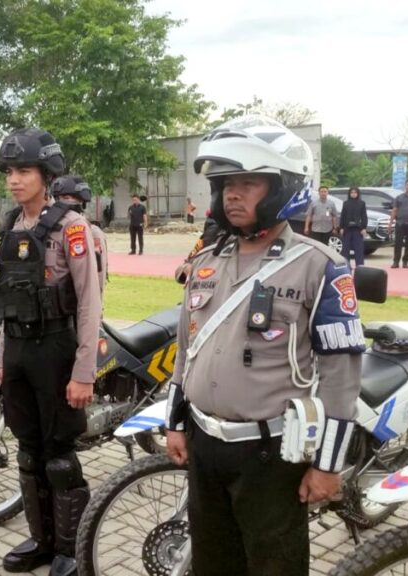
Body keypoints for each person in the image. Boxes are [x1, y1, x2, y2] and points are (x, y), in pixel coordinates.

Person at [164, 116, 362, 575]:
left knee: (274, 566)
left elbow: (341, 376)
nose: (232, 194)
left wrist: (328, 465)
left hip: (270, 456)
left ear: (283, 187)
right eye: (225, 184)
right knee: (212, 564)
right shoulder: (206, 262)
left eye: (248, 183)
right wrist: (174, 423)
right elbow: (186, 349)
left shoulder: (320, 266)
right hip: (204, 446)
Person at [0, 128, 102, 576]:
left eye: (24, 171)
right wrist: (3, 360)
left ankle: (70, 549)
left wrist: (84, 371)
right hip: (18, 350)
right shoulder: (10, 227)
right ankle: (41, 541)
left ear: (46, 174)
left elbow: (90, 301)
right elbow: (7, 301)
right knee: (27, 451)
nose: (14, 180)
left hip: (56, 350)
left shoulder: (72, 227)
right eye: (9, 172)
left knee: (59, 455)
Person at [51, 174, 109, 293]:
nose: (62, 202)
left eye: (67, 197)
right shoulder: (52, 227)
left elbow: (97, 276)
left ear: (81, 200)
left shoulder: (92, 232)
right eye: (58, 198)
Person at [339, 186, 368, 269]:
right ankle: (346, 266)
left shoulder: (362, 203)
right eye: (351, 192)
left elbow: (364, 216)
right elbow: (343, 216)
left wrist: (364, 228)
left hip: (358, 229)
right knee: (345, 249)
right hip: (347, 229)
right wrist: (341, 227)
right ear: (349, 194)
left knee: (359, 248)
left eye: (355, 192)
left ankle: (360, 266)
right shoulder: (346, 203)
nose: (353, 194)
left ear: (358, 194)